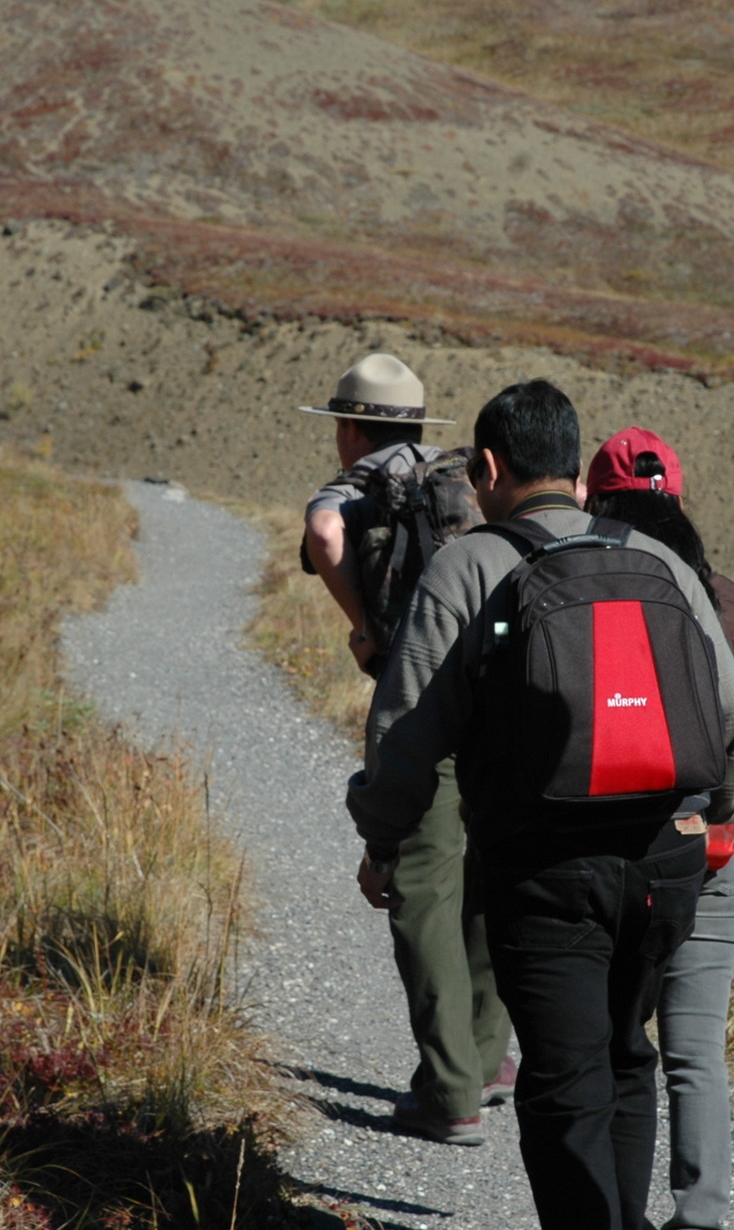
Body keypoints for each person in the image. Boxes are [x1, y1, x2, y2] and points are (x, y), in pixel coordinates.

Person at [347, 381, 734, 1229]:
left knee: (561, 1074)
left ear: (490, 467)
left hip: (542, 864)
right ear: (576, 472)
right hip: (664, 859)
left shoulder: (470, 562)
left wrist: (384, 838)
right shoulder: (659, 559)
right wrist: (713, 811)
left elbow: (404, 729)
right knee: (624, 1054)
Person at [299, 353, 514, 1144]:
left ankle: (449, 1090)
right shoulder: (462, 476)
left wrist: (362, 624)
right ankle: (488, 1056)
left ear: (350, 429)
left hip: (419, 691)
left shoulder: (356, 486)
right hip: (496, 696)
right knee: (484, 874)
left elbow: (325, 534)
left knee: (419, 883)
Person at [584, 427, 734, 1230]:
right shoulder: (726, 599)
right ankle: (699, 1215)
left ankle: (606, 1208)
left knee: (611, 1047)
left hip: (610, 856)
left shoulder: (581, 586)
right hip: (717, 855)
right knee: (694, 1052)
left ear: (593, 500)